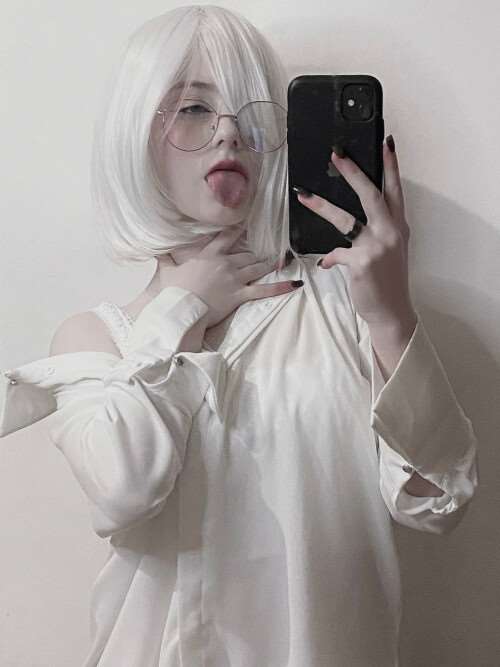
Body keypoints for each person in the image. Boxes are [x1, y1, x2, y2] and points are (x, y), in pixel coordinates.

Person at [0, 5, 478, 666]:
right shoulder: (98, 339)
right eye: (194, 108)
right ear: (134, 130)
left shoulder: (341, 303)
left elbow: (438, 499)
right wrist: (185, 308)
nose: (228, 132)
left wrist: (392, 313)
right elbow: (124, 486)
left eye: (253, 115)